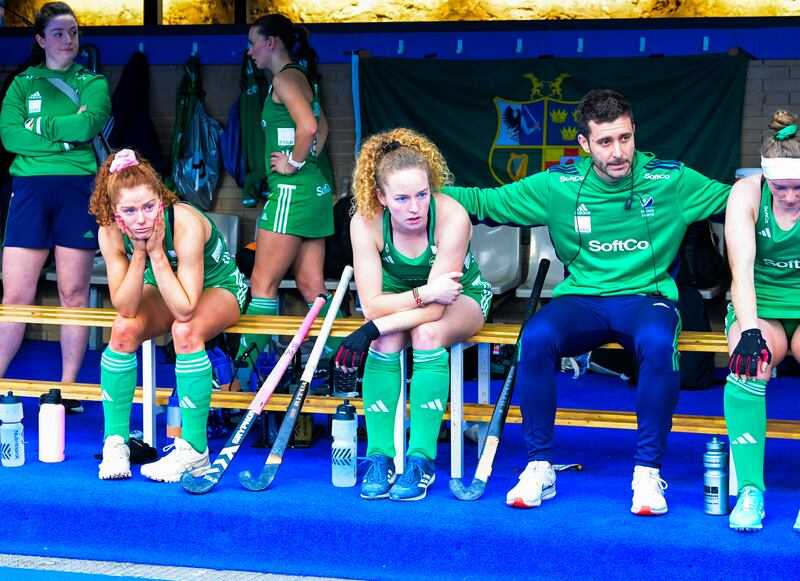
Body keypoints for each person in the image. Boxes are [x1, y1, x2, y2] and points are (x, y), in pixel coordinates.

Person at [442, 89, 731, 515]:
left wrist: (781, 177)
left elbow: (739, 199)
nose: (619, 152)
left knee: (656, 343)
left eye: (625, 138)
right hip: (582, 301)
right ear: (584, 144)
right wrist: (415, 193)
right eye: (606, 142)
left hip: (646, 298)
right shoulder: (558, 185)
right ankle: (539, 465)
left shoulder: (672, 179)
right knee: (535, 338)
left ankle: (648, 472)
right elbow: (484, 203)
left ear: (634, 133)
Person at [335, 128, 492, 501]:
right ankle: (379, 456)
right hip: (405, 299)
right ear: (381, 198)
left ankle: (421, 460)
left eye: (422, 195)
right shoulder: (365, 222)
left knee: (426, 334)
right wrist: (383, 320)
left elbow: (439, 306)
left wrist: (373, 326)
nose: (414, 207)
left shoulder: (452, 216)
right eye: (402, 198)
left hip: (461, 298)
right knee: (388, 338)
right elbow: (371, 302)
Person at [88, 149, 247, 482]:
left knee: (185, 330)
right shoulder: (110, 231)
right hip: (164, 285)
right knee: (122, 329)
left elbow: (186, 307)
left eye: (148, 206)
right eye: (130, 211)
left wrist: (157, 253)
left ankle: (194, 451)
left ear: (160, 199)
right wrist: (139, 255)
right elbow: (127, 306)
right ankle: (116, 441)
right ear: (116, 214)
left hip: (219, 287)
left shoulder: (184, 221)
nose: (142, 219)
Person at [0, 2, 110, 394]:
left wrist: (42, 128)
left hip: (78, 190)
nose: (68, 40)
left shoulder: (92, 82)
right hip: (28, 190)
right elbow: (10, 137)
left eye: (74, 32)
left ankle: (67, 390)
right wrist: (65, 139)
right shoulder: (22, 84)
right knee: (15, 295)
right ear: (40, 39)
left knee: (74, 295)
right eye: (59, 33)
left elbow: (88, 124)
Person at [234, 13, 339, 389]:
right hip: (314, 192)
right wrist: (308, 161)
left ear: (272, 42)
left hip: (291, 193)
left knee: (262, 284)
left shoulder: (283, 78)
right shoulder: (300, 77)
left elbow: (310, 128)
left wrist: (293, 163)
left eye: (253, 43)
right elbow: (321, 127)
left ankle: (238, 380)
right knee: (312, 285)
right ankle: (346, 363)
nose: (249, 52)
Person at [724, 109, 800, 532]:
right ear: (765, 179)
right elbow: (742, 270)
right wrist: (750, 330)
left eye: (799, 188)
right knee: (747, 364)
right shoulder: (745, 194)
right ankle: (751, 489)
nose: (790, 196)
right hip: (760, 302)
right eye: (781, 187)